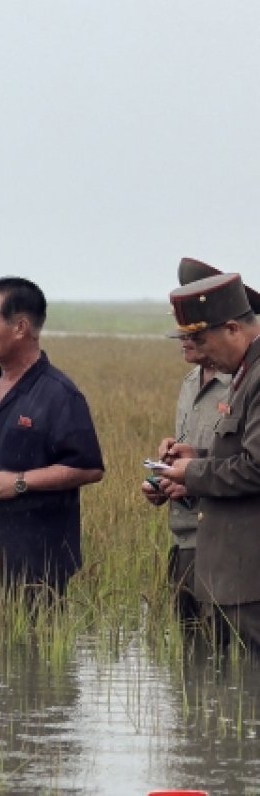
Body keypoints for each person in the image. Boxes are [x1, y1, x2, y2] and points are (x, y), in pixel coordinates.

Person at [0, 277, 104, 608]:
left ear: (20, 327)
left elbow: (88, 467)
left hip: (37, 564)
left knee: (36, 656)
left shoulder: (59, 394)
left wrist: (19, 483)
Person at [156, 272, 260, 650]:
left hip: (249, 567)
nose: (196, 349)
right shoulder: (245, 374)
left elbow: (256, 467)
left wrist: (193, 472)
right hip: (232, 567)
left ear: (232, 328)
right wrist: (196, 457)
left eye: (200, 339)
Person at [141, 259, 238, 627]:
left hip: (223, 542)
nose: (185, 340)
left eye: (195, 334)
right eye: (183, 333)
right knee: (190, 663)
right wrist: (163, 479)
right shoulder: (187, 383)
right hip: (183, 540)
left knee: (226, 654)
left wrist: (192, 470)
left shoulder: (244, 385)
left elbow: (243, 462)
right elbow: (194, 453)